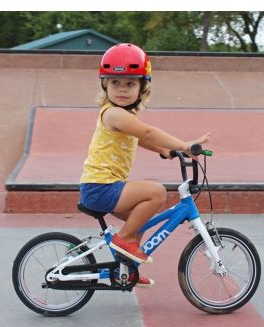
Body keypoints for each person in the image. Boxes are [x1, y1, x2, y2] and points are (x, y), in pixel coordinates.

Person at [79, 43, 210, 287]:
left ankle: (126, 271)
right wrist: (184, 145)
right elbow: (148, 133)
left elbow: (139, 139)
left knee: (142, 223)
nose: (122, 90)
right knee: (157, 193)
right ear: (105, 84)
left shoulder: (125, 118)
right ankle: (125, 239)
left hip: (104, 187)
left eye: (130, 83)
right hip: (101, 187)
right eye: (116, 83)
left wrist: (166, 151)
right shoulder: (114, 114)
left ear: (142, 88)